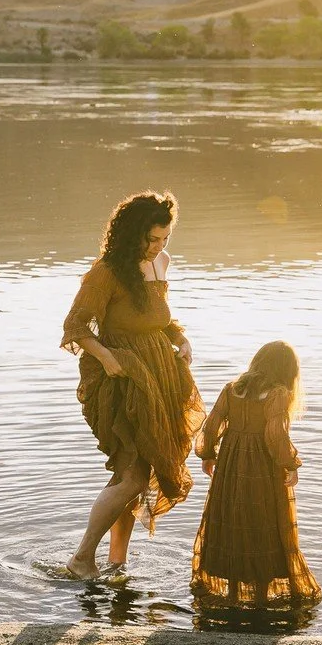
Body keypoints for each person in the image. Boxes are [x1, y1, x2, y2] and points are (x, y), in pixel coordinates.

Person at [60, 191, 204, 580]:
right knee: (132, 476)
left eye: (164, 239)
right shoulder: (106, 272)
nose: (157, 247)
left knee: (135, 475)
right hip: (122, 380)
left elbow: (157, 318)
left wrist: (181, 341)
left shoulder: (161, 263)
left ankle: (116, 562)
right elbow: (75, 326)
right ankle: (80, 558)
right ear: (130, 234)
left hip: (158, 377)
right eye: (151, 239)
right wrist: (108, 359)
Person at [191, 341, 321, 609]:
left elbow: (212, 424)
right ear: (287, 371)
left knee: (232, 522)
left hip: (230, 466)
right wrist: (291, 464)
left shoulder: (233, 389)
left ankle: (232, 595)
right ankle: (261, 599)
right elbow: (275, 435)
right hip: (261, 468)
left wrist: (208, 456)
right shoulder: (278, 394)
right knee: (263, 524)